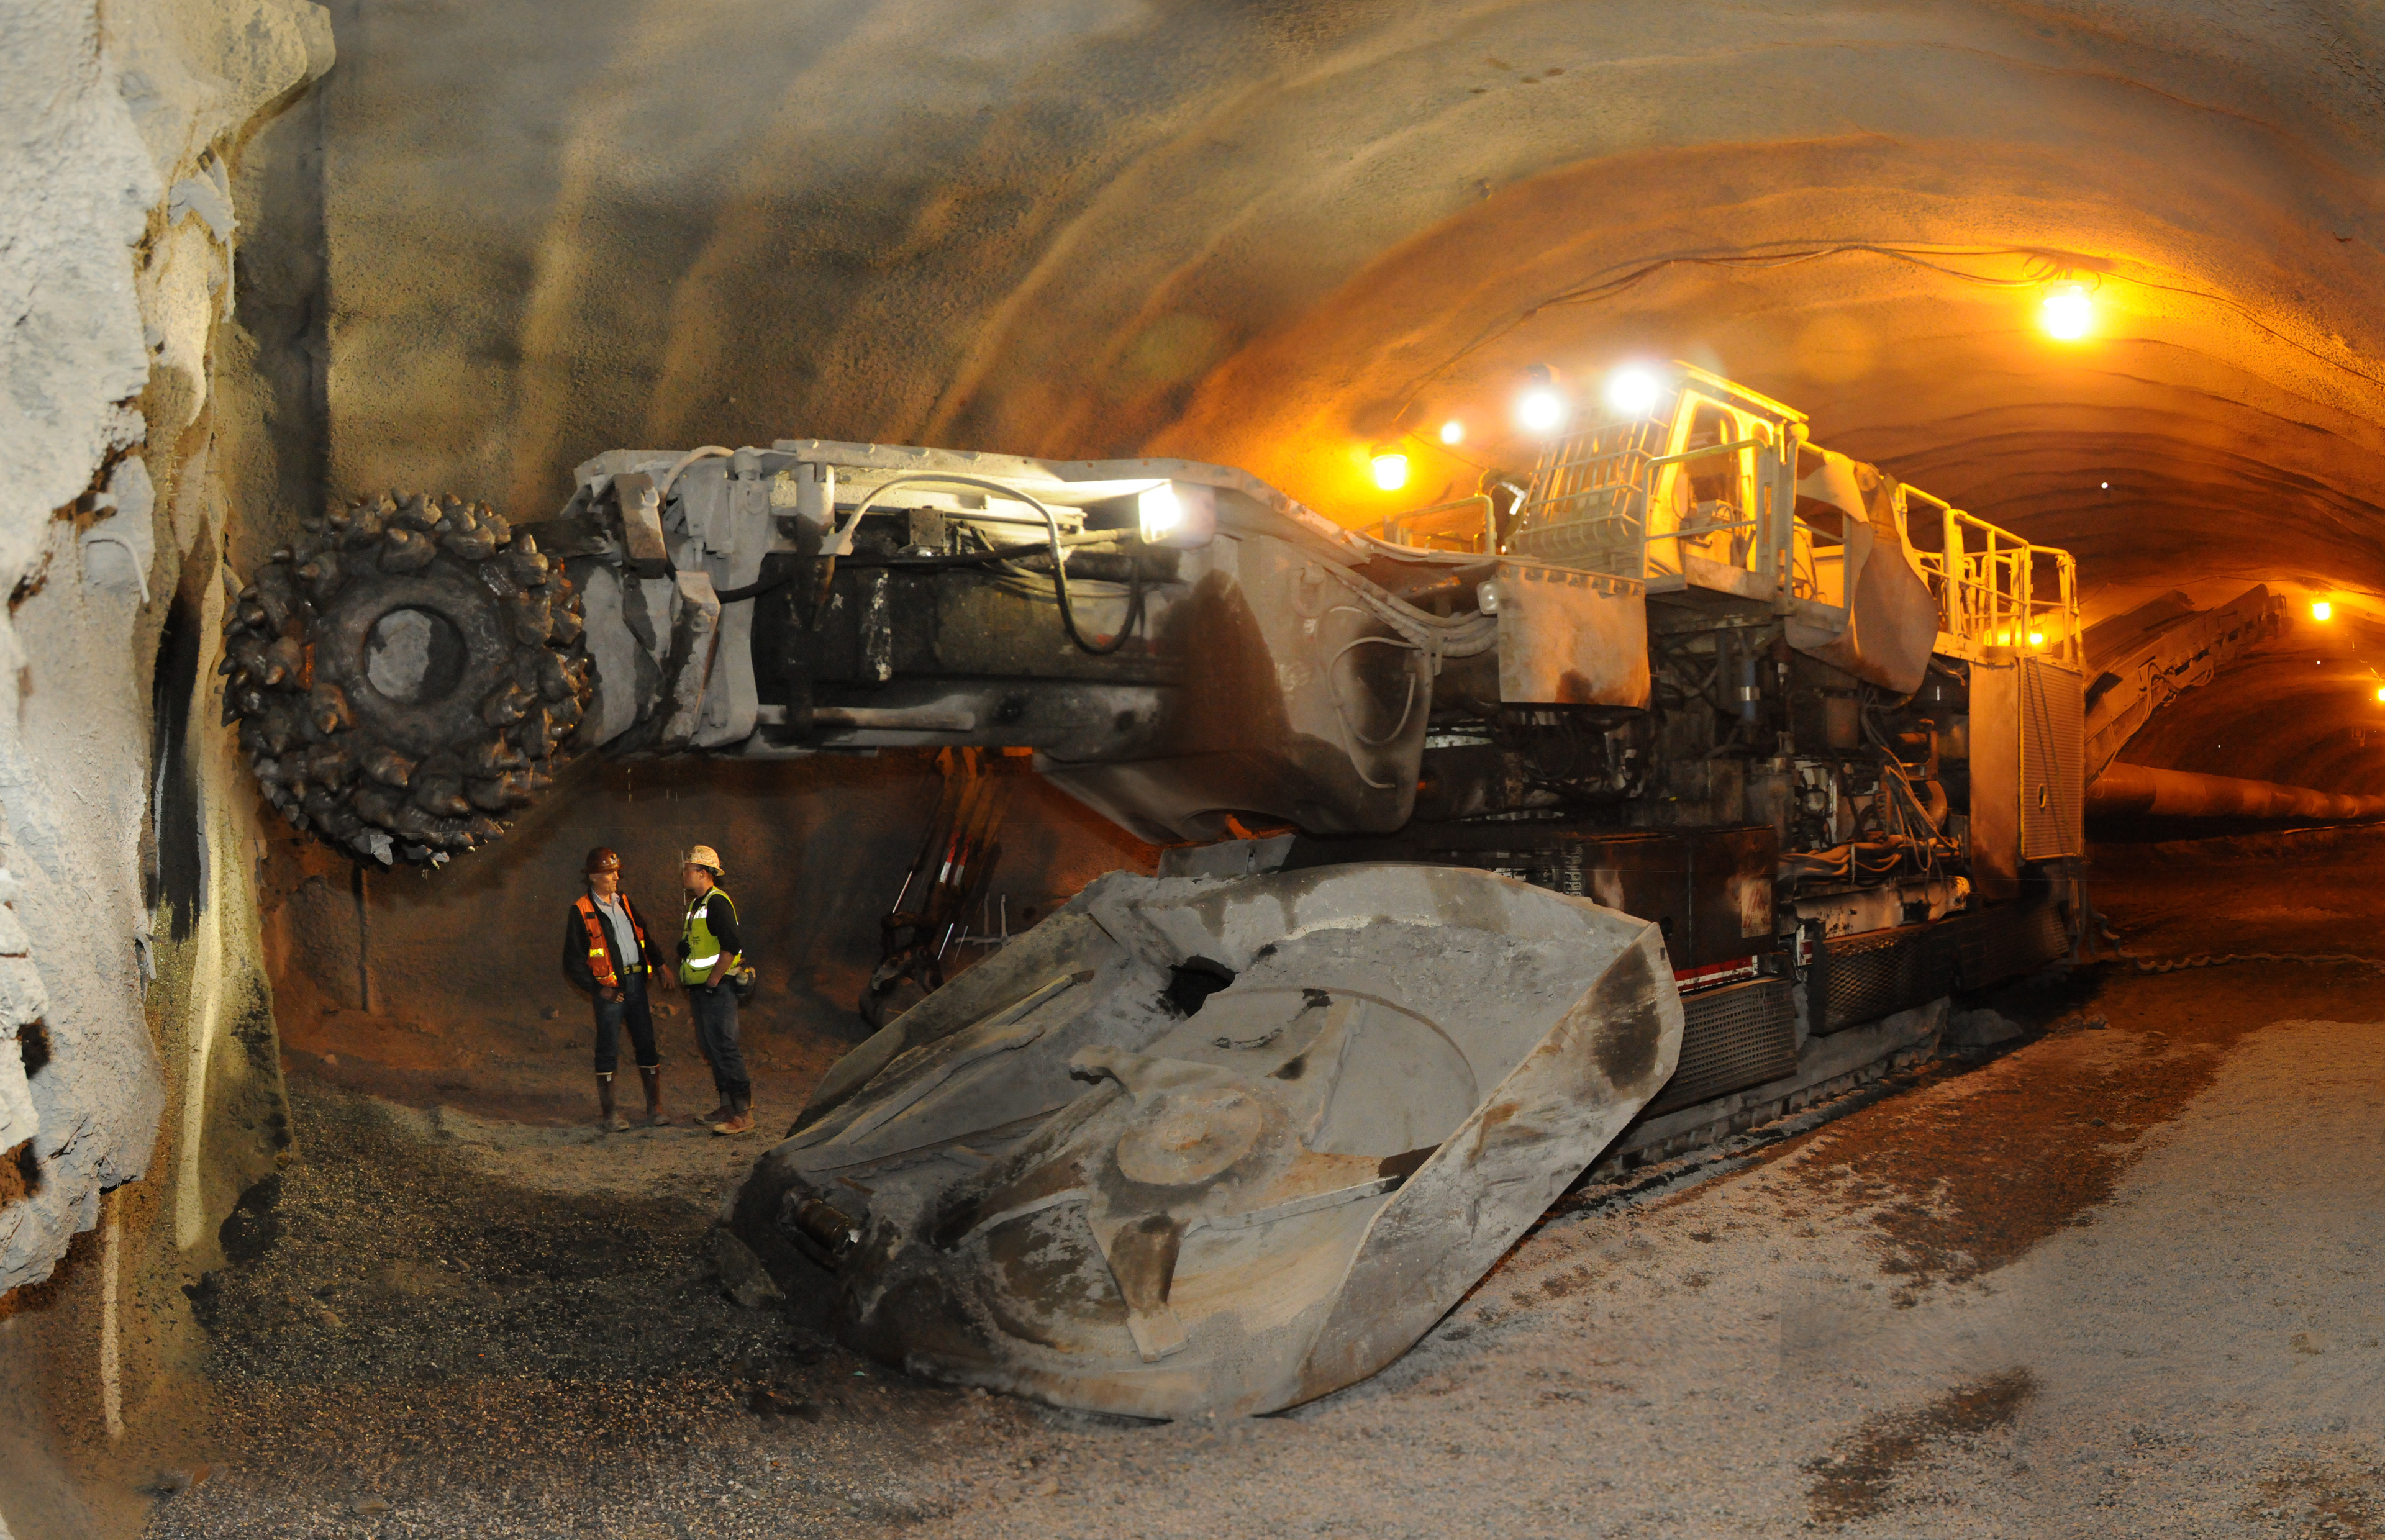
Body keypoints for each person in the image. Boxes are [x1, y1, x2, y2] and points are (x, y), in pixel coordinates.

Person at [561, 846, 670, 1131]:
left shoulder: (624, 902)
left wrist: (660, 965)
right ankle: (610, 1115)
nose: (616, 877)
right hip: (610, 991)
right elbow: (572, 961)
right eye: (610, 873)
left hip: (636, 985)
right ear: (595, 876)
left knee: (646, 1043)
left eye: (616, 872)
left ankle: (655, 1108)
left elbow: (643, 934)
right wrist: (599, 990)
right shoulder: (581, 911)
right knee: (608, 1048)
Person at [677, 845, 752, 1135]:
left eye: (689, 870)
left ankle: (743, 1114)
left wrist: (714, 980)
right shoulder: (698, 904)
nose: (685, 875)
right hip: (702, 988)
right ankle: (727, 1106)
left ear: (704, 873)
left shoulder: (717, 902)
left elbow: (732, 946)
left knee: (725, 1047)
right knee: (712, 1048)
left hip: (717, 988)